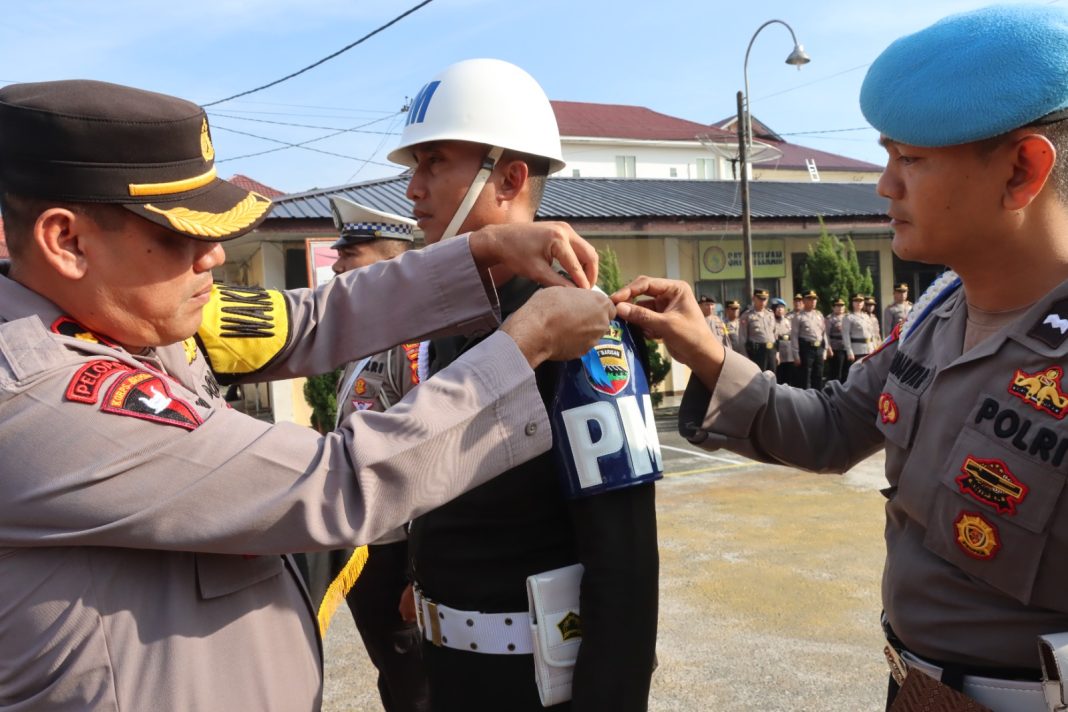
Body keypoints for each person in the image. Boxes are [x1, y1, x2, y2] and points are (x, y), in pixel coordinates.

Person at [0, 79, 615, 711]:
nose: (213, 256)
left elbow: (309, 319)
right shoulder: (39, 392)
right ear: (67, 241)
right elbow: (336, 483)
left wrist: (476, 253)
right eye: (181, 234)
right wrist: (524, 346)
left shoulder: (121, 313)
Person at [611, 5, 1068, 710]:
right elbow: (829, 428)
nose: (886, 185)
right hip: (913, 688)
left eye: (910, 159)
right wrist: (704, 351)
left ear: (1022, 170)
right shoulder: (938, 314)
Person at [387, 59, 659, 712]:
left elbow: (624, 564)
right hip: (448, 677)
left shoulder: (578, 326)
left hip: (534, 688)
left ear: (509, 179)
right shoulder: (447, 318)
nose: (412, 191)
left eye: (432, 163)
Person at [295, 197, 429, 712]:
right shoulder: (372, 336)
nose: (339, 266)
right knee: (393, 673)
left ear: (390, 262)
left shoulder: (411, 343)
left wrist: (421, 575)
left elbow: (430, 458)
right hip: (366, 539)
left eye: (351, 255)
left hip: (398, 547)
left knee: (416, 680)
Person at [790, 290, 827, 389]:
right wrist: (796, 354)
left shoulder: (819, 315)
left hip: (819, 348)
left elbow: (824, 333)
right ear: (804, 301)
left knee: (818, 375)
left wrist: (825, 349)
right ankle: (806, 400)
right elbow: (794, 336)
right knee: (805, 377)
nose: (813, 301)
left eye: (814, 299)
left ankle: (818, 398)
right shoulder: (798, 317)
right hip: (806, 349)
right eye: (810, 299)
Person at [739, 288, 777, 372]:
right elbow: (742, 339)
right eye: (760, 299)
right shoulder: (747, 315)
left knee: (772, 377)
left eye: (765, 299)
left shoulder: (770, 313)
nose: (762, 302)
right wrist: (745, 357)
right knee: (759, 378)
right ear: (753, 298)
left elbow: (775, 334)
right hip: (757, 352)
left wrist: (777, 352)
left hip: (771, 350)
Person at [843, 293, 875, 379]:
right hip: (857, 350)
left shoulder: (866, 316)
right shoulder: (849, 317)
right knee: (857, 374)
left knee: (868, 373)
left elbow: (872, 334)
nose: (859, 303)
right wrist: (849, 351)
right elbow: (845, 335)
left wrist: (875, 348)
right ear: (852, 303)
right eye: (856, 301)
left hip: (869, 348)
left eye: (861, 301)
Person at [825, 297, 849, 382]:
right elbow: (826, 334)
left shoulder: (848, 317)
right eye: (837, 306)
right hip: (836, 348)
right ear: (833, 307)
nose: (840, 307)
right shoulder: (830, 318)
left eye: (842, 305)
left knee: (847, 372)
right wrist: (828, 347)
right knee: (836, 373)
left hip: (847, 348)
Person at [771, 297, 793, 385]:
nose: (780, 310)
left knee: (789, 379)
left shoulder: (788, 321)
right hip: (778, 353)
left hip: (789, 354)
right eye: (778, 308)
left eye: (782, 307)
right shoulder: (771, 321)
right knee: (779, 378)